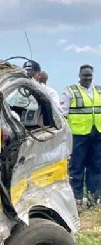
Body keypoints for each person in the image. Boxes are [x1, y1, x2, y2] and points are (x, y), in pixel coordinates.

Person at [59, 65, 101, 209]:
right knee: (76, 167)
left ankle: (93, 198)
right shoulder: (70, 91)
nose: (87, 78)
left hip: (97, 134)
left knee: (96, 167)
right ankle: (76, 199)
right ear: (79, 75)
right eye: (85, 75)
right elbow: (62, 114)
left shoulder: (99, 91)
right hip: (78, 135)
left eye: (89, 75)